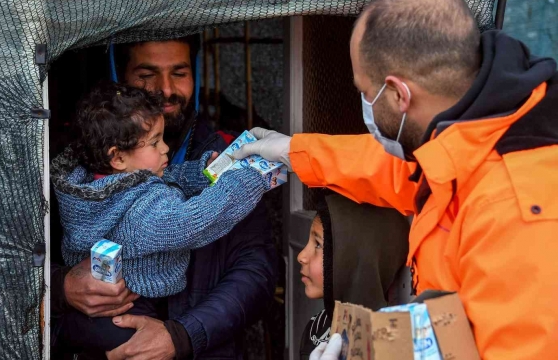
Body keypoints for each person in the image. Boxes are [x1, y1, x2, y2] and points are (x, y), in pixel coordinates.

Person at [234, 0, 558, 358]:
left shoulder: (517, 208)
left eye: (364, 92)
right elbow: (392, 168)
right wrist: (294, 151)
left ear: (399, 94)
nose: (363, 102)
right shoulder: (480, 130)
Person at [51, 35, 278, 360]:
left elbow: (256, 269)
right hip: (119, 322)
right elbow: (195, 219)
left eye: (180, 73)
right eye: (146, 75)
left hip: (207, 347)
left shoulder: (112, 175)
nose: (166, 89)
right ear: (119, 73)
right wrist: (60, 287)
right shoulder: (72, 159)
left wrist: (184, 335)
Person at [297, 193, 409, 359]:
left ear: (356, 261)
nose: (301, 256)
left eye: (318, 244)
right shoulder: (317, 326)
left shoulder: (386, 347)